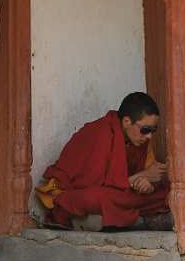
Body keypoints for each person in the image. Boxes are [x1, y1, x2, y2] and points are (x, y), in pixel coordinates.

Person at [36, 92, 170, 231]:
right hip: (76, 193)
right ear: (126, 122)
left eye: (153, 130)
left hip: (119, 194)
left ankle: (118, 219)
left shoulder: (140, 140)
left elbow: (145, 173)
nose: (149, 136)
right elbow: (89, 185)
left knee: (168, 192)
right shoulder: (100, 133)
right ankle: (136, 220)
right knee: (99, 198)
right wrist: (140, 177)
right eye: (145, 130)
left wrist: (147, 184)